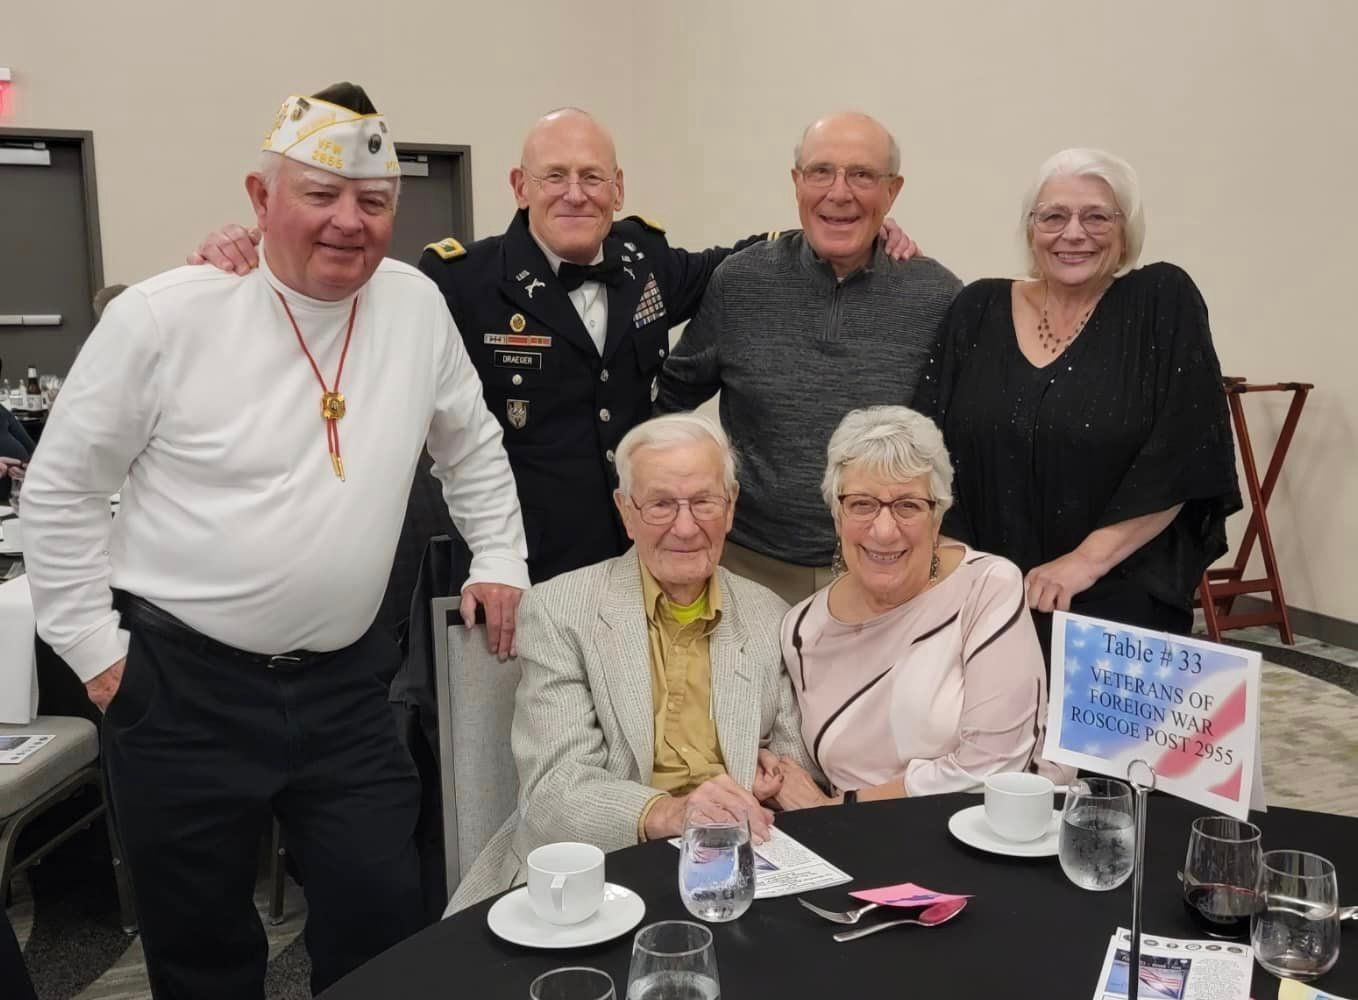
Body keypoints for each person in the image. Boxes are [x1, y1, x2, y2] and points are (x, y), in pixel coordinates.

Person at [20, 83, 529, 999]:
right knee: (202, 943)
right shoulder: (166, 316)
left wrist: (499, 555)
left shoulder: (413, 306)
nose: (349, 222)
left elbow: (473, 442)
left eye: (373, 203)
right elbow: (61, 491)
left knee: (381, 916)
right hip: (180, 689)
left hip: (346, 687)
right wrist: (94, 651)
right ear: (260, 201)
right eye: (320, 197)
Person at [190, 108, 916, 583]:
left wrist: (869, 228)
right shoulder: (460, 281)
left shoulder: (648, 263)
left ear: (617, 187)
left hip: (634, 561)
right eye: (556, 177)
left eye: (592, 177)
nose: (576, 194)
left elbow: (765, 253)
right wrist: (254, 247)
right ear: (519, 186)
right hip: (517, 567)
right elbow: (343, 282)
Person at [450, 412, 814, 910]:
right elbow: (554, 791)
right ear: (625, 511)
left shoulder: (769, 614)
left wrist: (767, 786)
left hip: (736, 870)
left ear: (730, 509)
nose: (685, 527)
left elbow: (793, 770)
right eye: (661, 505)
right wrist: (672, 812)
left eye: (704, 502)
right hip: (597, 869)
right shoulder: (561, 611)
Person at [915, 148, 1241, 661]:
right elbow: (925, 444)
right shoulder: (977, 307)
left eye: (1096, 216)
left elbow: (1185, 450)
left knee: (1101, 745)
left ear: (1125, 229)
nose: (1073, 233)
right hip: (980, 595)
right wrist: (964, 571)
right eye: (1054, 216)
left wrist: (1084, 563)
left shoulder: (1161, 301)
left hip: (1115, 595)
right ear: (1030, 229)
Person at [658, 112, 961, 606]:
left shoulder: (937, 297)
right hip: (749, 569)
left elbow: (959, 440)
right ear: (796, 182)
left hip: (885, 569)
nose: (838, 192)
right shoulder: (740, 283)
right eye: (820, 172)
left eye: (862, 175)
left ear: (893, 191)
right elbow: (667, 404)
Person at [769, 406, 1065, 810]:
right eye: (861, 504)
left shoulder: (987, 587)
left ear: (937, 516)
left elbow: (997, 765)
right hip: (849, 847)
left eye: (908, 505)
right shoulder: (801, 628)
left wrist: (845, 809)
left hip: (977, 835)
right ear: (837, 516)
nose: (885, 530)